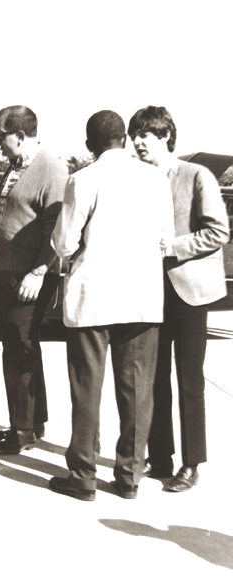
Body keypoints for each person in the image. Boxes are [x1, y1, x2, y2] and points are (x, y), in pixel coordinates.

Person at [49, 110, 174, 501]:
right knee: (137, 390)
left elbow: (63, 243)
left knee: (87, 388)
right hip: (141, 300)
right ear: (124, 138)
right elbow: (165, 240)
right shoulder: (156, 179)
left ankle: (84, 476)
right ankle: (129, 477)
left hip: (93, 300)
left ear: (90, 145)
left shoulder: (83, 179)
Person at [128, 106, 229, 492]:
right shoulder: (139, 181)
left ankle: (191, 463)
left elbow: (218, 231)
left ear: (166, 136)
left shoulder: (196, 175)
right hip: (151, 290)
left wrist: (174, 247)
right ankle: (161, 456)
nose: (137, 142)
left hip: (189, 292)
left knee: (189, 379)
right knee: (153, 378)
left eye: (146, 135)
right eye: (134, 135)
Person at [0, 105, 68, 453]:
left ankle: (22, 431)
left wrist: (38, 272)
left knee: (18, 351)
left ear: (20, 136)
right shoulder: (14, 167)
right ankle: (32, 422)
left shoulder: (52, 170)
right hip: (7, 274)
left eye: (0, 136)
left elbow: (57, 231)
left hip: (28, 278)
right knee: (24, 347)